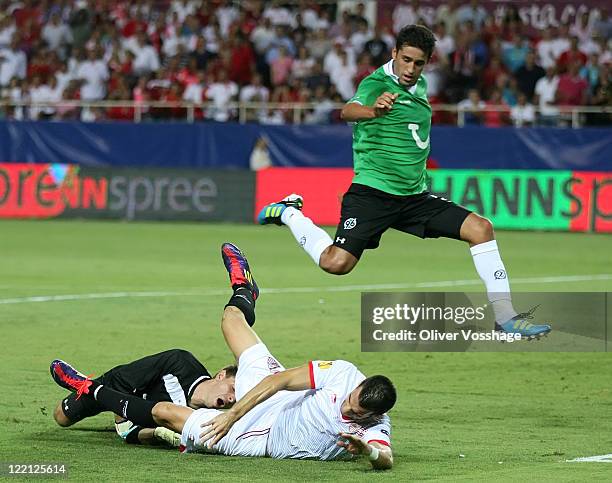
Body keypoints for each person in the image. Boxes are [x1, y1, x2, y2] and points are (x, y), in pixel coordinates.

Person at [257, 25, 551, 339]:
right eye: (406, 60)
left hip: (413, 197)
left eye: (419, 63)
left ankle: (505, 317)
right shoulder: (376, 83)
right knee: (336, 263)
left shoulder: (421, 87)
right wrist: (373, 110)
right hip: (372, 192)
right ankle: (290, 212)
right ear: (394, 53)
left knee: (481, 228)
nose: (411, 69)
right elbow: (347, 111)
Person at [50, 243, 395, 469]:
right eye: (351, 401)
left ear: (373, 415)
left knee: (164, 413)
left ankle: (88, 388)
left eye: (356, 412)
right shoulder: (344, 373)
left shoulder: (375, 427)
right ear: (358, 385)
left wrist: (369, 452)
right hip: (276, 400)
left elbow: (386, 458)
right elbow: (280, 380)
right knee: (232, 320)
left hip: (260, 437)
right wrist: (230, 415)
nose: (347, 409)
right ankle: (245, 287)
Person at [51, 348, 237, 446]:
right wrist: (121, 413)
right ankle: (84, 384)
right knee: (61, 416)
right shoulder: (180, 363)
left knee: (159, 433)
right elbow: (124, 379)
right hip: (119, 387)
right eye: (232, 389)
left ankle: (129, 428)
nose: (231, 399)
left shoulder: (207, 417)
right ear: (221, 375)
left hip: (143, 419)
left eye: (236, 399)